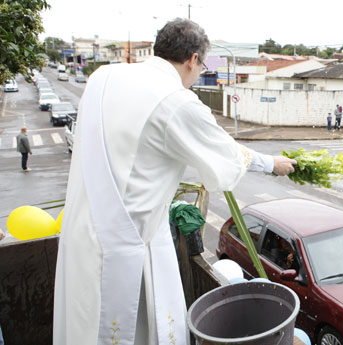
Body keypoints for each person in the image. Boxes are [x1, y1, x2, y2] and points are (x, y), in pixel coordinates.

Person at [53, 18, 296, 345]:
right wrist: (273, 163)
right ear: (194, 59)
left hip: (82, 230)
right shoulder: (175, 101)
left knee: (81, 322)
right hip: (125, 246)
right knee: (121, 329)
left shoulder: (106, 75)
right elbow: (225, 157)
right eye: (203, 65)